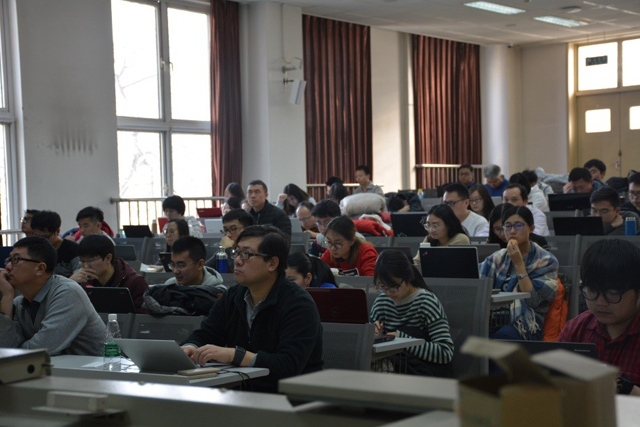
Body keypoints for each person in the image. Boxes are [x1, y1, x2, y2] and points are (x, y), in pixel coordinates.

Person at [180, 226, 324, 393]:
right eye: (237, 252)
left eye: (246, 254)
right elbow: (206, 334)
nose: (237, 261)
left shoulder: (298, 303)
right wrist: (191, 347)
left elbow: (288, 366)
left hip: (293, 397)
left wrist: (235, 355)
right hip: (241, 393)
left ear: (272, 263)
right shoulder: (233, 296)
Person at [558, 239, 640, 396]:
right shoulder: (576, 329)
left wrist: (626, 388)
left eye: (613, 293)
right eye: (593, 291)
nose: (601, 302)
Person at [0, 237, 104, 355]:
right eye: (9, 259)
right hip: (57, 367)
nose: (8, 266)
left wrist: (15, 351)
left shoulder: (68, 294)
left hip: (99, 366)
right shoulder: (20, 303)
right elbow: (6, 350)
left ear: (40, 268)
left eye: (16, 259)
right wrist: (7, 296)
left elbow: (40, 350)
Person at [480, 206, 559, 340]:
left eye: (518, 226)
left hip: (526, 322)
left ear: (531, 228)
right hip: (494, 317)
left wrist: (518, 263)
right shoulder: (498, 257)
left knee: (501, 338)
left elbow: (533, 301)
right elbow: (478, 282)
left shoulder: (546, 260)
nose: (512, 231)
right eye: (508, 226)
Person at [370, 249, 454, 377]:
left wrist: (403, 341)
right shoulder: (382, 302)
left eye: (393, 287)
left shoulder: (426, 302)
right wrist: (375, 336)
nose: (388, 292)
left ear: (408, 278)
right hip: (392, 372)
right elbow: (368, 346)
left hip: (422, 374)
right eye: (382, 287)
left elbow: (445, 353)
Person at [144, 236, 226, 316]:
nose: (175, 271)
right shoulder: (168, 288)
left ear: (200, 264)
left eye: (181, 265)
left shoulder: (217, 293)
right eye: (172, 265)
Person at [72, 234, 149, 313]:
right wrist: (70, 283)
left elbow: (142, 318)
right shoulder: (82, 281)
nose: (85, 266)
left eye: (90, 261)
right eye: (82, 261)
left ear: (108, 258)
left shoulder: (135, 283)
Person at [30, 210, 81, 278]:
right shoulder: (30, 250)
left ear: (57, 231)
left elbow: (79, 275)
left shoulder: (73, 249)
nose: (41, 241)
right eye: (36, 236)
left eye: (45, 237)